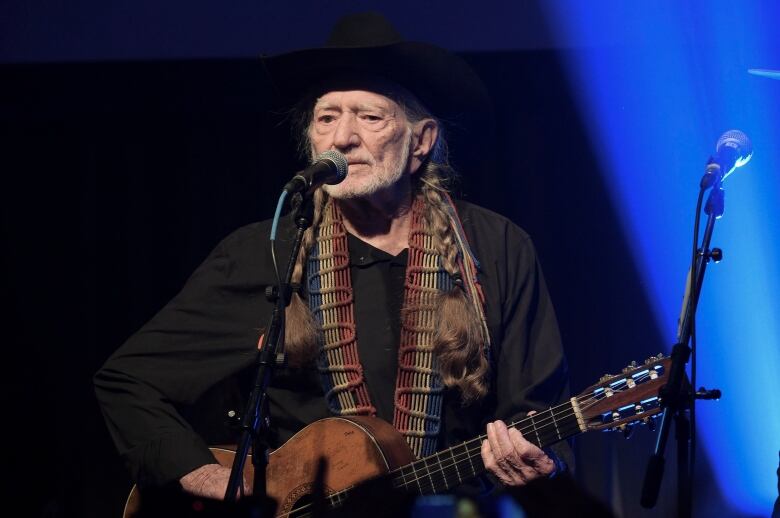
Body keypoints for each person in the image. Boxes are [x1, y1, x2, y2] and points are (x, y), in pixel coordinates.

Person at [95, 11, 572, 511]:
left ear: (421, 141)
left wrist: (542, 458)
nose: (343, 137)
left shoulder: (496, 247)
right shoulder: (267, 251)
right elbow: (128, 380)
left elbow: (537, 409)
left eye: (369, 117)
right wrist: (209, 477)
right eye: (327, 118)